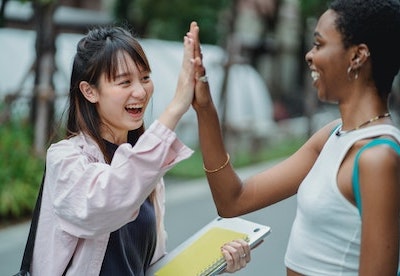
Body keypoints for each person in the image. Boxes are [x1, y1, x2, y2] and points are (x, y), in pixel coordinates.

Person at [190, 0, 400, 275]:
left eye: (320, 44)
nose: (309, 55)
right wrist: (205, 108)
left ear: (357, 56)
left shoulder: (377, 158)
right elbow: (233, 200)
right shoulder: (333, 135)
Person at [30, 24, 250, 275]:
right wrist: (177, 105)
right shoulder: (65, 159)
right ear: (89, 91)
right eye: (124, 82)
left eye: (145, 78)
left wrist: (215, 260)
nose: (140, 91)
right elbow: (107, 202)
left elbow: (146, 268)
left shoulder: (147, 169)